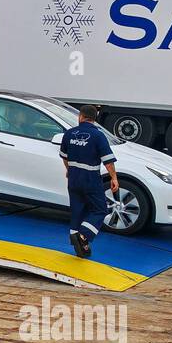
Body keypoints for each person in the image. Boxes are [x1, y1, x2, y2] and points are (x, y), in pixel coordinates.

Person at [59, 104, 119, 259]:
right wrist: (114, 178)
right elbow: (108, 162)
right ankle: (83, 236)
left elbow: (64, 157)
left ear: (80, 116)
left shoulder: (69, 133)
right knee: (100, 209)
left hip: (73, 178)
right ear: (94, 118)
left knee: (78, 210)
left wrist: (69, 170)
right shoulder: (98, 136)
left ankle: (79, 245)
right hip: (90, 178)